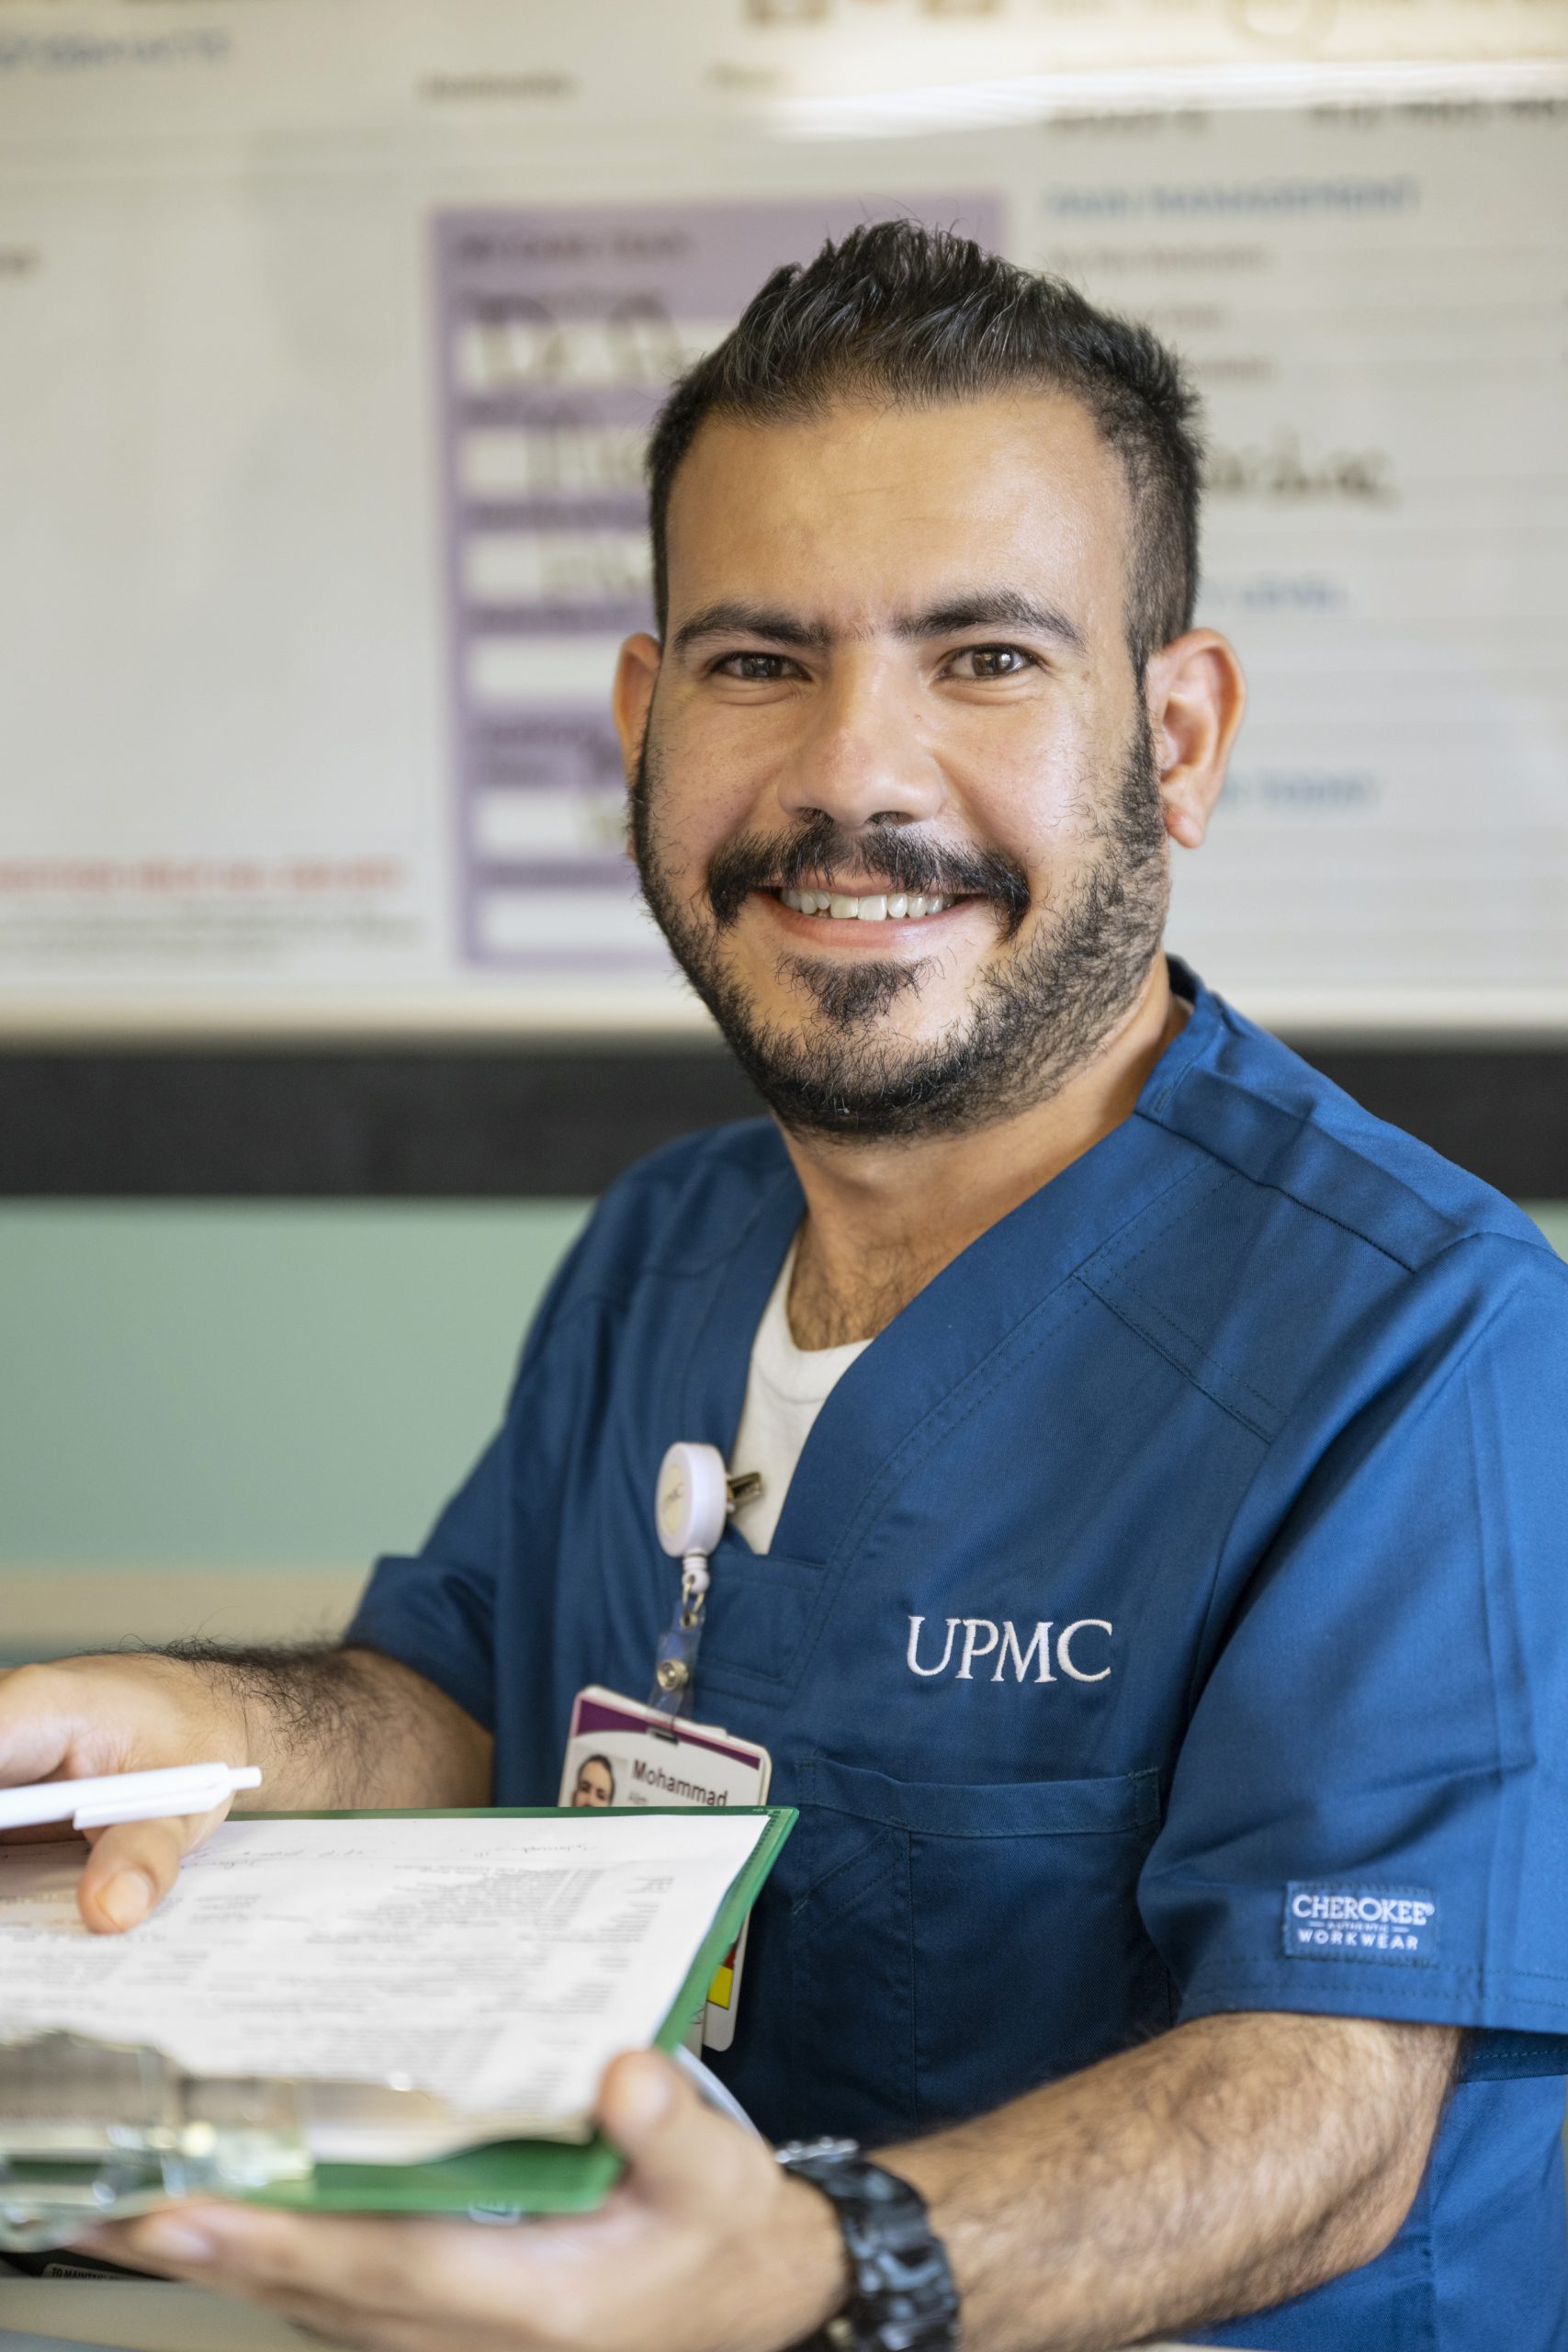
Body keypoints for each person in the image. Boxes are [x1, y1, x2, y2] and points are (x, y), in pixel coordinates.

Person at [4, 221, 1567, 2352]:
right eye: (758, 660)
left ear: (1175, 739)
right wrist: (192, 1731)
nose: (853, 773)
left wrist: (822, 2266)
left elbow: (1329, 2097)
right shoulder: (665, 1239)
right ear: (647, 723)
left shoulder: (1426, 1345)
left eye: (986, 657)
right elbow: (463, 1702)